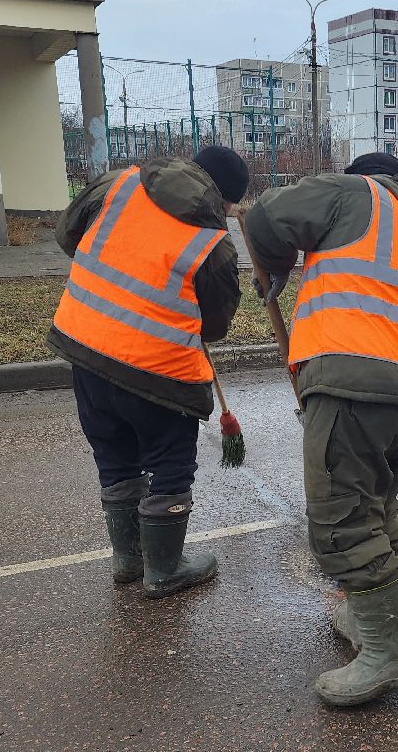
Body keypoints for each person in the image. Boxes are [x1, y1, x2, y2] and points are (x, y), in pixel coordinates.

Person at [244, 152, 398, 708]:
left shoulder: (358, 193)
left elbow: (263, 218)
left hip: (352, 379)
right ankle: (367, 619)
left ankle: (395, 653)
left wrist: (279, 264)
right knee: (375, 506)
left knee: (341, 519)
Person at [48, 146, 248, 599]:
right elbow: (215, 324)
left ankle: (127, 559)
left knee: (114, 452)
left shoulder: (116, 185)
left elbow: (68, 235)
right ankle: (164, 568)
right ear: (226, 198)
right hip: (159, 371)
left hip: (87, 347)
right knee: (170, 462)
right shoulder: (212, 239)